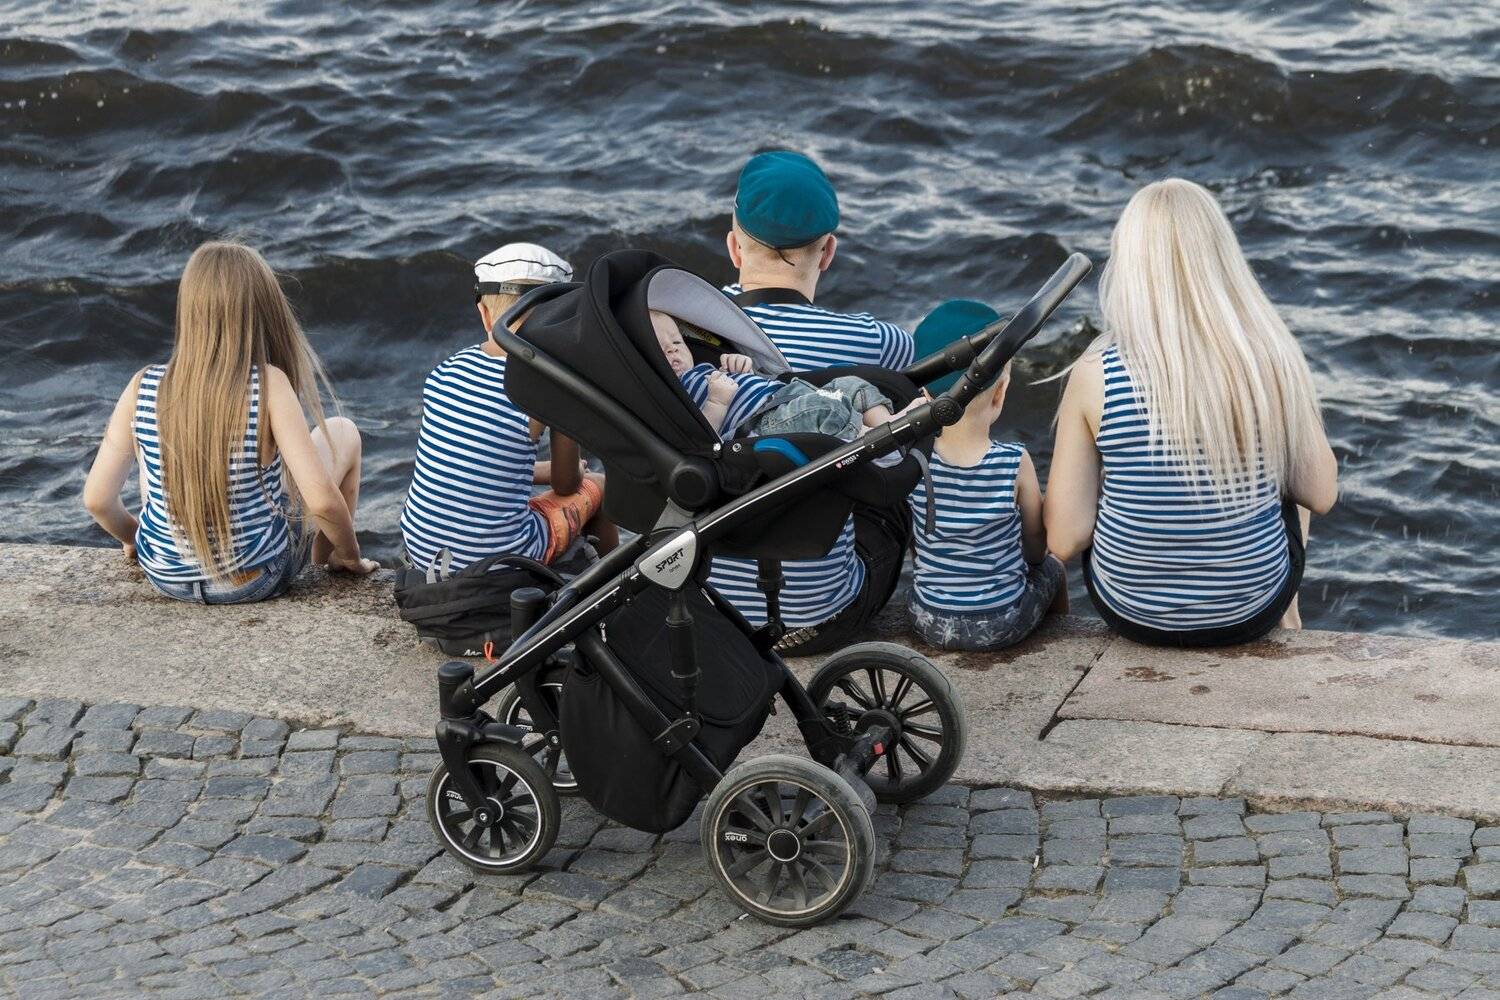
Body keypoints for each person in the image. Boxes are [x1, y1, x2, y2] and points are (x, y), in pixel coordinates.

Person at [1044, 179, 1338, 646]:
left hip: (1131, 612)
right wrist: (1278, 399)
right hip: (1250, 611)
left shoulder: (1095, 372)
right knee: (1285, 466)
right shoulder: (1268, 357)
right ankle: (1290, 615)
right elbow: (1319, 494)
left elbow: (1065, 538)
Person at [82, 240, 376, 604]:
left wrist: (137, 539)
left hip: (167, 577)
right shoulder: (268, 384)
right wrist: (351, 554)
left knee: (154, 453)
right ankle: (330, 561)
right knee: (343, 433)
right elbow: (323, 504)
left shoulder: (143, 386)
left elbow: (97, 499)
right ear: (262, 311)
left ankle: (171, 543)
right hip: (255, 578)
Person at [712, 151, 917, 654]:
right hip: (824, 618)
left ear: (734, 247)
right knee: (891, 450)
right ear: (827, 253)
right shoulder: (878, 342)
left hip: (711, 610)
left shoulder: (689, 331)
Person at [400, 243, 617, 575]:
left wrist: (543, 471)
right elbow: (566, 485)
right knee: (598, 486)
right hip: (498, 561)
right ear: (559, 319)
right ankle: (612, 591)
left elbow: (472, 463)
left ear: (485, 314)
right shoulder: (550, 381)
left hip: (422, 550)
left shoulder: (446, 370)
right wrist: (573, 472)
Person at [904, 301, 1067, 651]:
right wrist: (1035, 562)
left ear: (925, 394)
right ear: (1000, 392)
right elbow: (1035, 544)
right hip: (1001, 623)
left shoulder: (914, 459)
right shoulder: (1014, 461)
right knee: (1054, 568)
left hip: (928, 619)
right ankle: (1063, 640)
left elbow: (914, 542)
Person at [649, 310, 912, 440]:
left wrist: (741, 370)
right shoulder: (675, 397)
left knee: (851, 385)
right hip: (761, 423)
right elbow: (702, 438)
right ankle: (875, 442)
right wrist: (717, 401)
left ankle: (887, 423)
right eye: (661, 348)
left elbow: (748, 385)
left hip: (783, 395)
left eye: (677, 342)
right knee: (824, 409)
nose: (672, 349)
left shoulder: (704, 371)